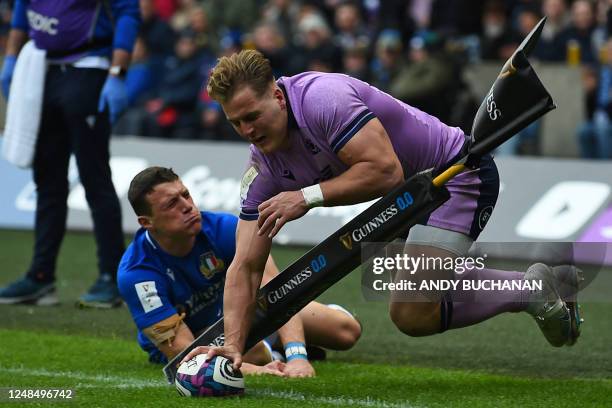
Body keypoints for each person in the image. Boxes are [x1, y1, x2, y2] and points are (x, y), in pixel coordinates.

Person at [182, 50, 582, 369]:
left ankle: (531, 290)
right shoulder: (262, 170)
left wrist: (305, 196)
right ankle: (532, 284)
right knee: (414, 312)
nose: (248, 130)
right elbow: (246, 266)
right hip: (409, 201)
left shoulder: (323, 100)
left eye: (253, 117)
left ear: (277, 96)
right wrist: (233, 346)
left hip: (455, 176)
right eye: (236, 123)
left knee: (411, 311)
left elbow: (385, 171)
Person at [118, 166, 361, 377]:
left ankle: (281, 346)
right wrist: (261, 371)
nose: (188, 207)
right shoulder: (137, 275)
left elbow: (277, 289)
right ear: (146, 223)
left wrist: (297, 355)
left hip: (249, 312)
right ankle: (269, 351)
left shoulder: (225, 228)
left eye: (186, 195)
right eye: (172, 204)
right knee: (250, 351)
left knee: (346, 332)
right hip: (202, 337)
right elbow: (187, 354)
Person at [0, 0, 140, 307]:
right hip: (43, 71)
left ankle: (111, 277)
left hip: (89, 69)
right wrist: (10, 58)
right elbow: (23, 10)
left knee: (94, 178)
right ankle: (41, 276)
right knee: (47, 180)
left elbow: (127, 12)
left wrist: (117, 74)